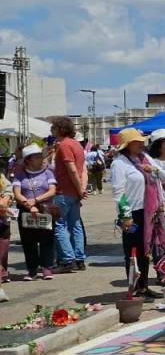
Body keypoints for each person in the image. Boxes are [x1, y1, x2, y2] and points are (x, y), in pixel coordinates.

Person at [110, 128, 165, 299]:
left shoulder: (146, 158)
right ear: (128, 144)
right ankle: (134, 287)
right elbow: (118, 192)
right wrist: (125, 216)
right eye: (138, 141)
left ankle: (144, 286)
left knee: (145, 250)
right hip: (133, 212)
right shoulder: (119, 163)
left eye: (142, 140)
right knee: (132, 251)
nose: (142, 143)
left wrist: (153, 170)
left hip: (150, 211)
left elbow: (164, 176)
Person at [12, 144, 57, 281]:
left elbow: (52, 190)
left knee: (47, 240)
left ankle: (47, 268)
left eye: (40, 156)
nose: (41, 159)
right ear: (28, 160)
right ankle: (31, 270)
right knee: (28, 241)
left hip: (44, 209)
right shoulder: (19, 175)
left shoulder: (48, 172)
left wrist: (36, 200)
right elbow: (17, 194)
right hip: (26, 211)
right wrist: (28, 204)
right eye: (37, 157)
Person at [51, 116, 88, 273]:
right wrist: (82, 189)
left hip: (64, 191)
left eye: (53, 128)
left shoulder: (65, 145)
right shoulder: (77, 145)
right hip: (74, 192)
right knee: (76, 225)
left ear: (59, 129)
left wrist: (80, 189)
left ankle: (68, 260)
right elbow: (83, 170)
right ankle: (79, 259)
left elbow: (71, 169)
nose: (51, 130)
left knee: (59, 226)